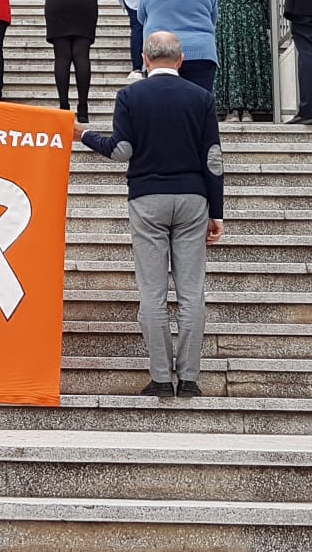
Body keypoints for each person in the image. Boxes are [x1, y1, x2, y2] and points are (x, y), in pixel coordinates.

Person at [80, 31, 225, 398]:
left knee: (153, 292)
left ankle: (160, 378)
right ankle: (189, 379)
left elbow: (121, 151)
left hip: (147, 198)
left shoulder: (131, 96)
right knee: (191, 293)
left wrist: (84, 135)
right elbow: (213, 158)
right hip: (193, 198)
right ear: (180, 60)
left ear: (145, 59)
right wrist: (217, 212)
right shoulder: (201, 98)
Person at [208, 0, 275, 121]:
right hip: (251, 22)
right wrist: (266, 23)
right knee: (249, 61)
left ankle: (230, 108)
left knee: (229, 62)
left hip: (225, 22)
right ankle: (249, 108)